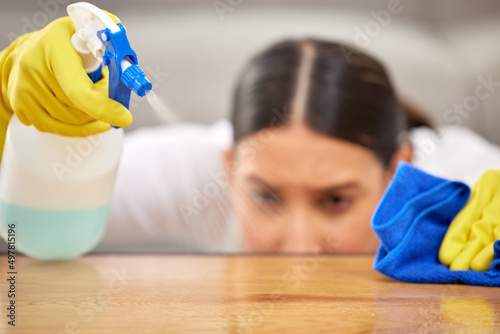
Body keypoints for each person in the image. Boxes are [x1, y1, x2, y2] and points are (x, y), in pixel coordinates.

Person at [1, 15, 499, 255]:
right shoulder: (197, 172)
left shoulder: (461, 184)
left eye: (335, 201)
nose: (300, 247)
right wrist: (9, 118)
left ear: (398, 170)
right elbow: (12, 230)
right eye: (264, 196)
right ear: (229, 166)